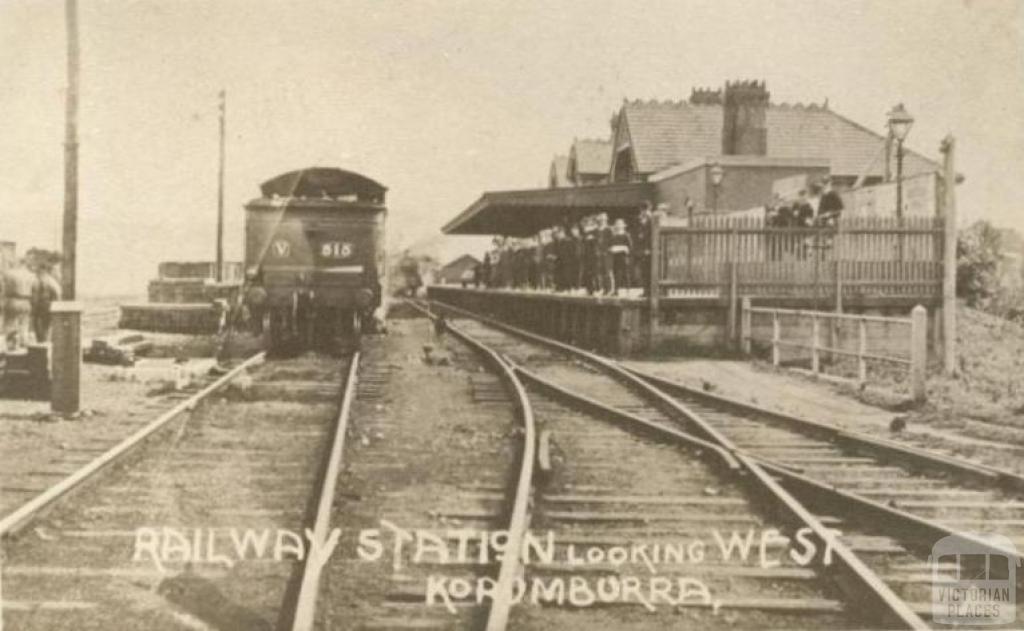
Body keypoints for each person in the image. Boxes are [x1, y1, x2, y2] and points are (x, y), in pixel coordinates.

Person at [2, 261, 34, 350]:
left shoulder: (8, 273)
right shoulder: (31, 274)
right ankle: (23, 346)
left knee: (10, 324)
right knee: (24, 325)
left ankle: (11, 347)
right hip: (26, 301)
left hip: (12, 300)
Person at [30, 265, 60, 342]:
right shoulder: (51, 281)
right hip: (45, 307)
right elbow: (57, 294)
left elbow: (57, 294)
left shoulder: (41, 280)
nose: (37, 273)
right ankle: (43, 342)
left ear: (43, 271)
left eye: (38, 271)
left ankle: (42, 343)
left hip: (43, 307)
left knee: (42, 327)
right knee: (43, 327)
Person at [632, 204, 653, 296]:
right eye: (642, 211)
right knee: (644, 271)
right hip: (642, 249)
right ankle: (646, 291)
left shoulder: (652, 221)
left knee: (650, 271)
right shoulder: (640, 222)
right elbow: (637, 235)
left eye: (645, 210)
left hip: (650, 249)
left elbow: (650, 236)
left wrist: (649, 248)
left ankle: (651, 291)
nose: (643, 213)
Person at [609, 219, 633, 296]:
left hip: (624, 258)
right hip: (616, 258)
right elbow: (611, 247)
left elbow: (629, 247)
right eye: (617, 224)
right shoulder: (614, 236)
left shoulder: (626, 235)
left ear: (623, 226)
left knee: (626, 274)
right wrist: (620, 248)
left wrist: (621, 248)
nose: (619, 226)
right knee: (616, 274)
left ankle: (628, 291)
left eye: (620, 224)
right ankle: (616, 290)